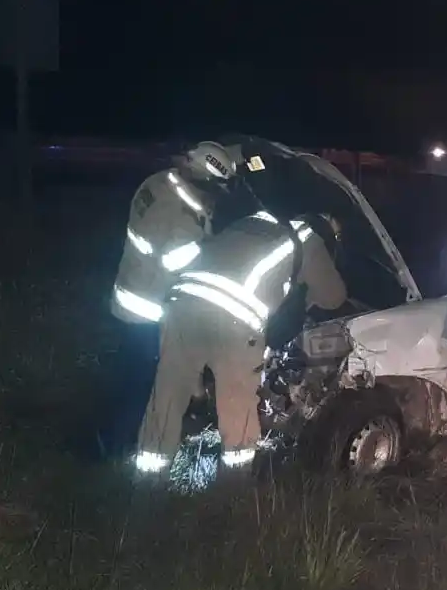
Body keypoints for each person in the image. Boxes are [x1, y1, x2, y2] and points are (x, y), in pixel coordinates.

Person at [134, 210, 347, 472]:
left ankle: (146, 483)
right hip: (234, 321)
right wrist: (302, 296)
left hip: (180, 307)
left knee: (167, 396)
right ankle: (233, 487)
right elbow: (334, 297)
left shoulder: (254, 218)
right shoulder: (309, 240)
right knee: (237, 405)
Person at [102, 141, 241, 457]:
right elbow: (177, 263)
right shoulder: (182, 215)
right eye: (215, 189)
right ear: (204, 180)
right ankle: (120, 451)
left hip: (127, 291)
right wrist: (212, 252)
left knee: (126, 378)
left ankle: (111, 441)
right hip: (147, 313)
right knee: (143, 388)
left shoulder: (159, 182)